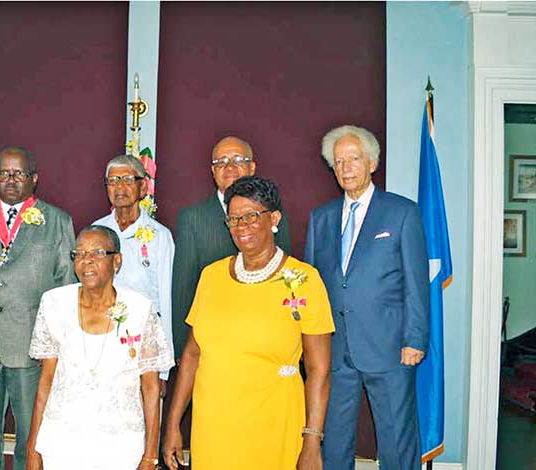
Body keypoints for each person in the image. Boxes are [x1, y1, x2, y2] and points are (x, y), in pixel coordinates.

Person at [163, 176, 333, 470]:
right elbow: (192, 354)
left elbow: (319, 370)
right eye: (233, 219)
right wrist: (173, 424)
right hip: (214, 425)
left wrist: (312, 440)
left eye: (252, 217)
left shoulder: (303, 280)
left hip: (273, 422)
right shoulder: (211, 276)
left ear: (274, 218)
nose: (241, 227)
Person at [305, 125, 429, 470]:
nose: (345, 168)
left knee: (397, 443)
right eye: (338, 161)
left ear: (372, 163)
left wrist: (415, 338)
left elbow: (417, 283)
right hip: (335, 351)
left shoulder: (402, 213)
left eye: (354, 159)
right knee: (335, 441)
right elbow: (313, 285)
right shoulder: (321, 218)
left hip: (391, 349)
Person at [0, 146, 75, 470]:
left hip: (32, 349)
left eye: (19, 173)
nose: (10, 179)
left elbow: (67, 288)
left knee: (31, 436)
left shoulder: (57, 221)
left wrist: (58, 346)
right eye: (3, 173)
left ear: (34, 179)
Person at [25, 225, 174, 469]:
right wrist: (33, 446)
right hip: (62, 442)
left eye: (97, 253)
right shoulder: (54, 303)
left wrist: (150, 455)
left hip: (121, 446)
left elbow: (150, 388)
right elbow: (46, 380)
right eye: (80, 254)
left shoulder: (139, 309)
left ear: (117, 261)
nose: (87, 261)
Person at [171, 136, 291, 357]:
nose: (229, 167)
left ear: (252, 167)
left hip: (265, 338)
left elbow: (285, 274)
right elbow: (183, 289)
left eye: (238, 159)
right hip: (212, 341)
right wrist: (182, 350)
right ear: (212, 171)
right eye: (221, 162)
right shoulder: (193, 217)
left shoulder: (272, 213)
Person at [92, 155, 174, 382]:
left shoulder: (159, 236)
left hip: (143, 342)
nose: (119, 187)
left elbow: (166, 301)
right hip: (102, 338)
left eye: (127, 179)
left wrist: (163, 370)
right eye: (113, 181)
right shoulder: (96, 232)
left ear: (143, 187)